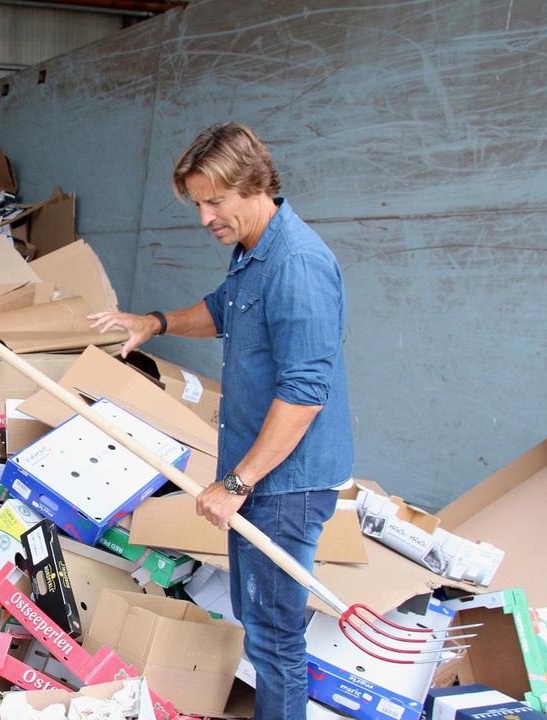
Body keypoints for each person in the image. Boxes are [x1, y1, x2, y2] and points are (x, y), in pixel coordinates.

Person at [89, 122, 353, 720]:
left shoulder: (297, 265)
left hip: (285, 482)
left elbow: (307, 392)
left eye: (215, 201)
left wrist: (239, 482)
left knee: (275, 642)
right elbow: (221, 311)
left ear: (253, 184)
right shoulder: (253, 252)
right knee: (260, 628)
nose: (206, 217)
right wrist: (154, 322)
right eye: (198, 203)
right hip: (262, 474)